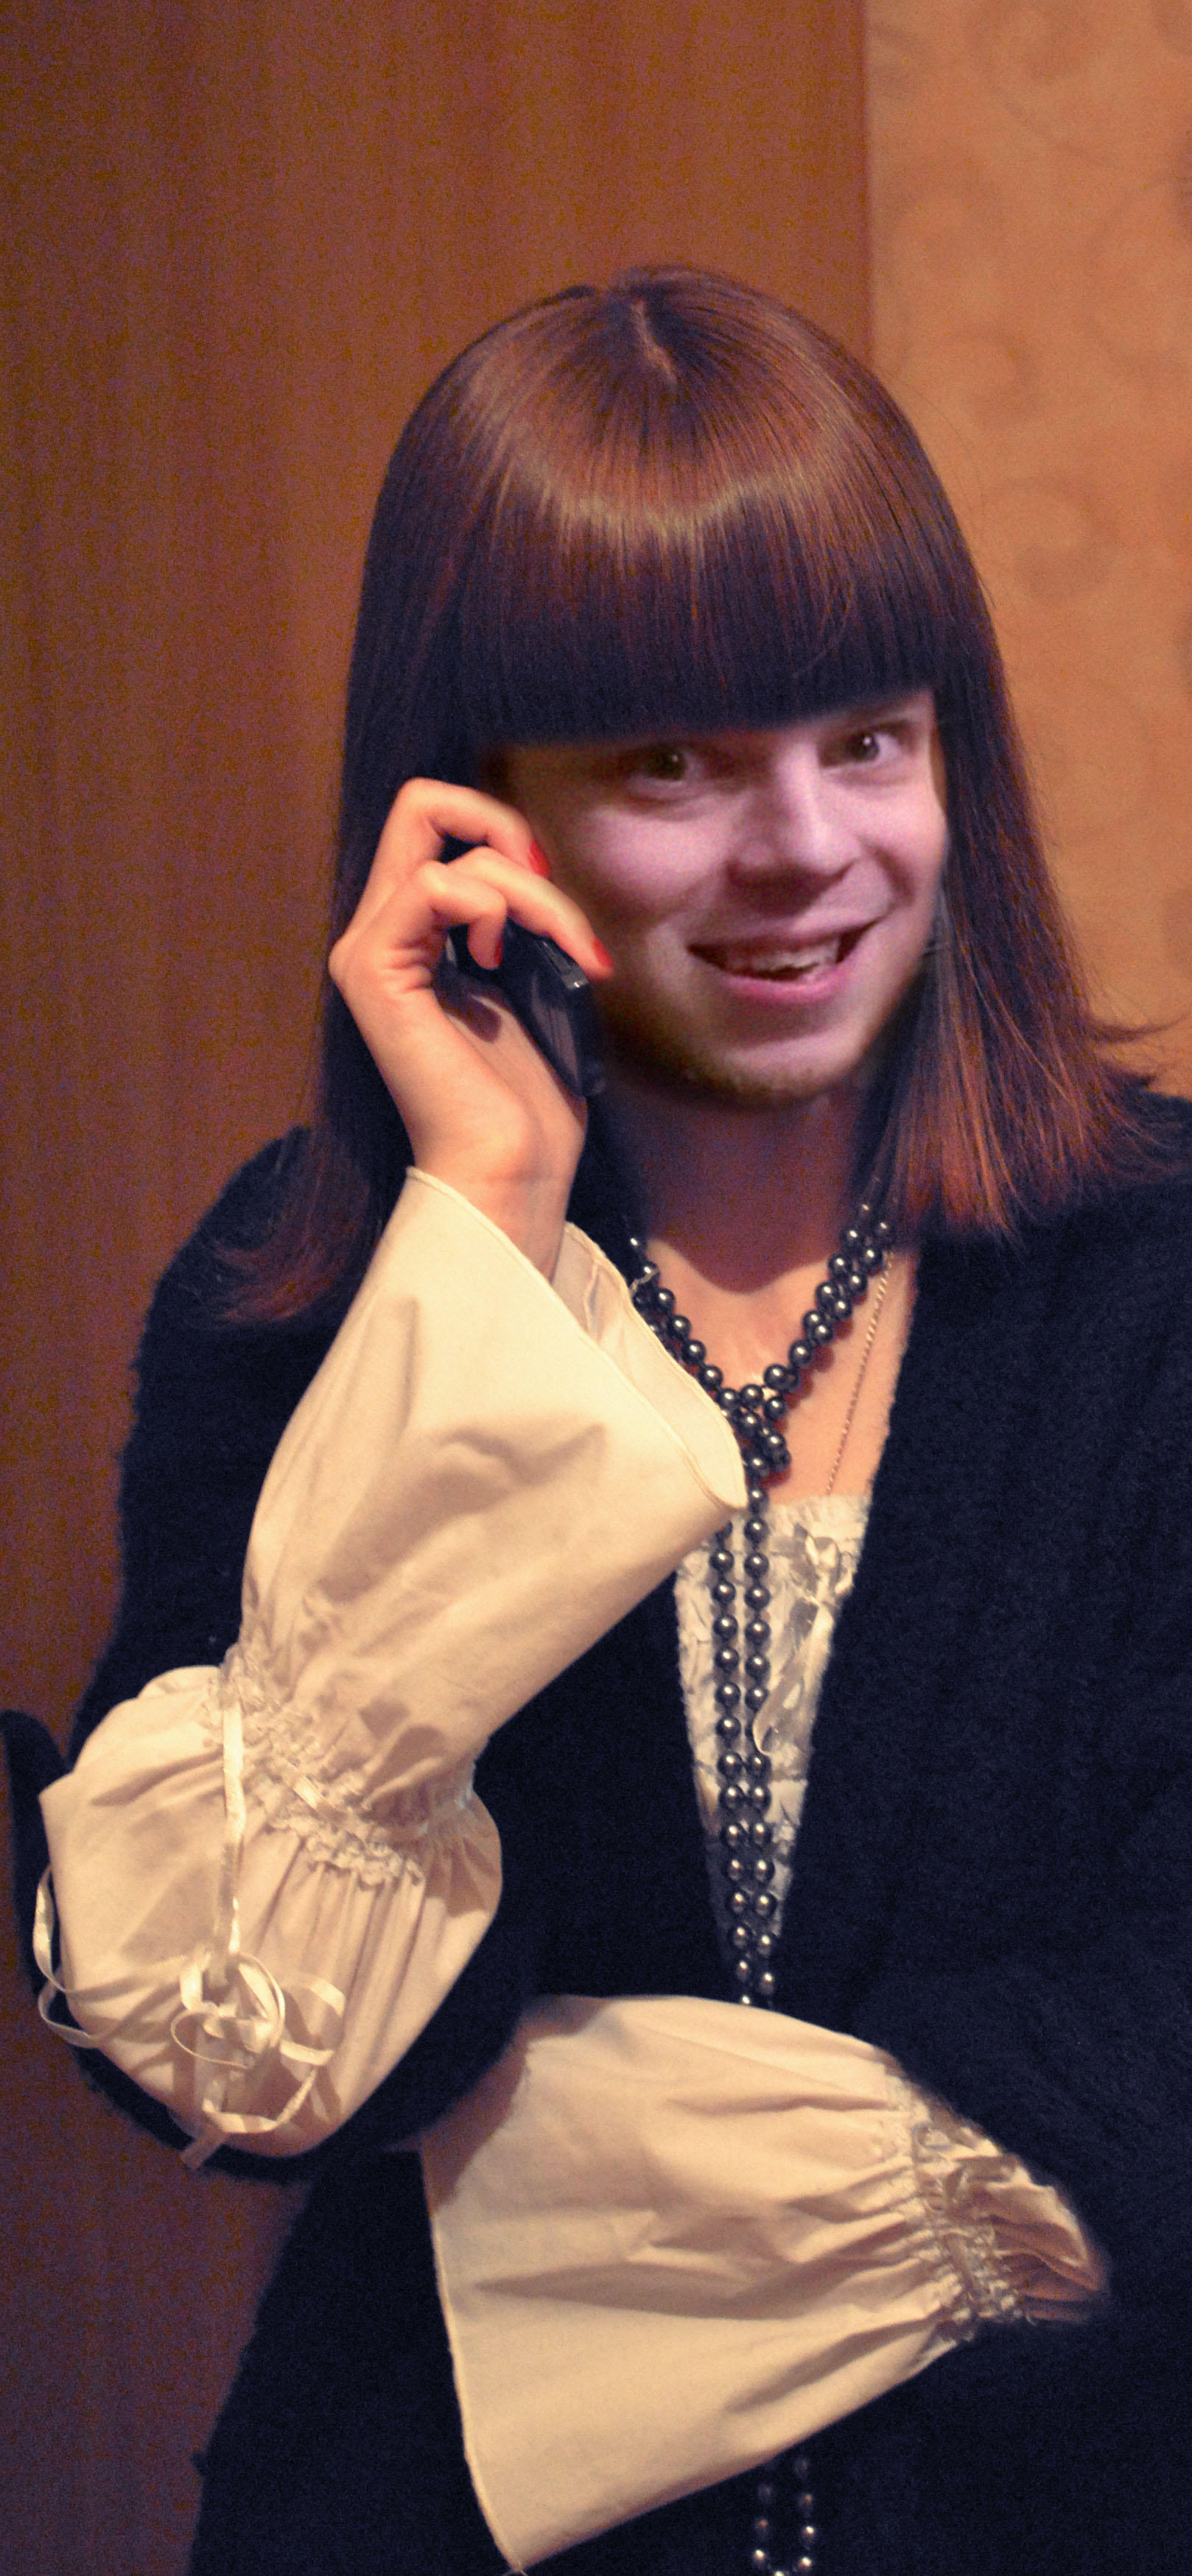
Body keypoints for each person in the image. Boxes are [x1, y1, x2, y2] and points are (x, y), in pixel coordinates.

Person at [6, 267, 1192, 2576]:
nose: (806, 846)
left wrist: (513, 2201)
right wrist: (475, 1231)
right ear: (477, 816)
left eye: (869, 737)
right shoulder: (308, 1302)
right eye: (672, 763)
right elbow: (245, 2053)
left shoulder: (1156, 1276)